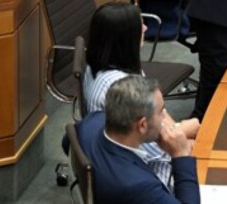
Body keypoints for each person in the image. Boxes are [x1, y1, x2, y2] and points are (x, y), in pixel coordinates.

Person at [77, 76, 199, 204]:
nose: (164, 117)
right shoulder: (139, 186)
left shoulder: (90, 122)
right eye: (161, 111)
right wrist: (181, 155)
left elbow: (67, 141)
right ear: (142, 125)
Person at [84, 2, 200, 136]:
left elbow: (158, 113)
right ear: (125, 38)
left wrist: (176, 129)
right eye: (139, 26)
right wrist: (184, 131)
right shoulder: (124, 88)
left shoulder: (99, 61)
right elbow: (151, 146)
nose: (145, 28)